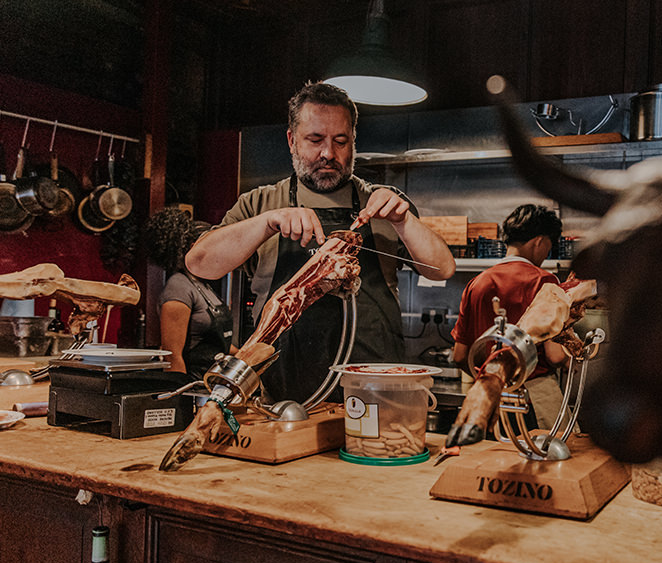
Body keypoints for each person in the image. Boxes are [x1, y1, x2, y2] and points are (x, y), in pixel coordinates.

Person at [186, 81, 455, 402]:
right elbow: (199, 264)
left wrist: (404, 220)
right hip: (281, 396)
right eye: (315, 140)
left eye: (340, 141)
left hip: (373, 393)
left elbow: (442, 270)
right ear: (291, 140)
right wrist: (267, 223)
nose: (328, 153)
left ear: (353, 141)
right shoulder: (259, 203)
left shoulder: (384, 204)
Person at [450, 204, 569, 429]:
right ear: (540, 242)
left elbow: (459, 356)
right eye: (548, 247)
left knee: (494, 460)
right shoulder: (545, 282)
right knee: (551, 459)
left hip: (490, 400)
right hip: (536, 396)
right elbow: (554, 355)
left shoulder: (477, 283)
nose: (546, 254)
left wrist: (489, 379)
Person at [143, 206, 236, 380]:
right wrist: (181, 397)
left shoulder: (205, 286)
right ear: (195, 247)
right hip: (194, 383)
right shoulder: (178, 287)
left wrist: (247, 357)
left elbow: (216, 343)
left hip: (213, 382)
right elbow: (172, 355)